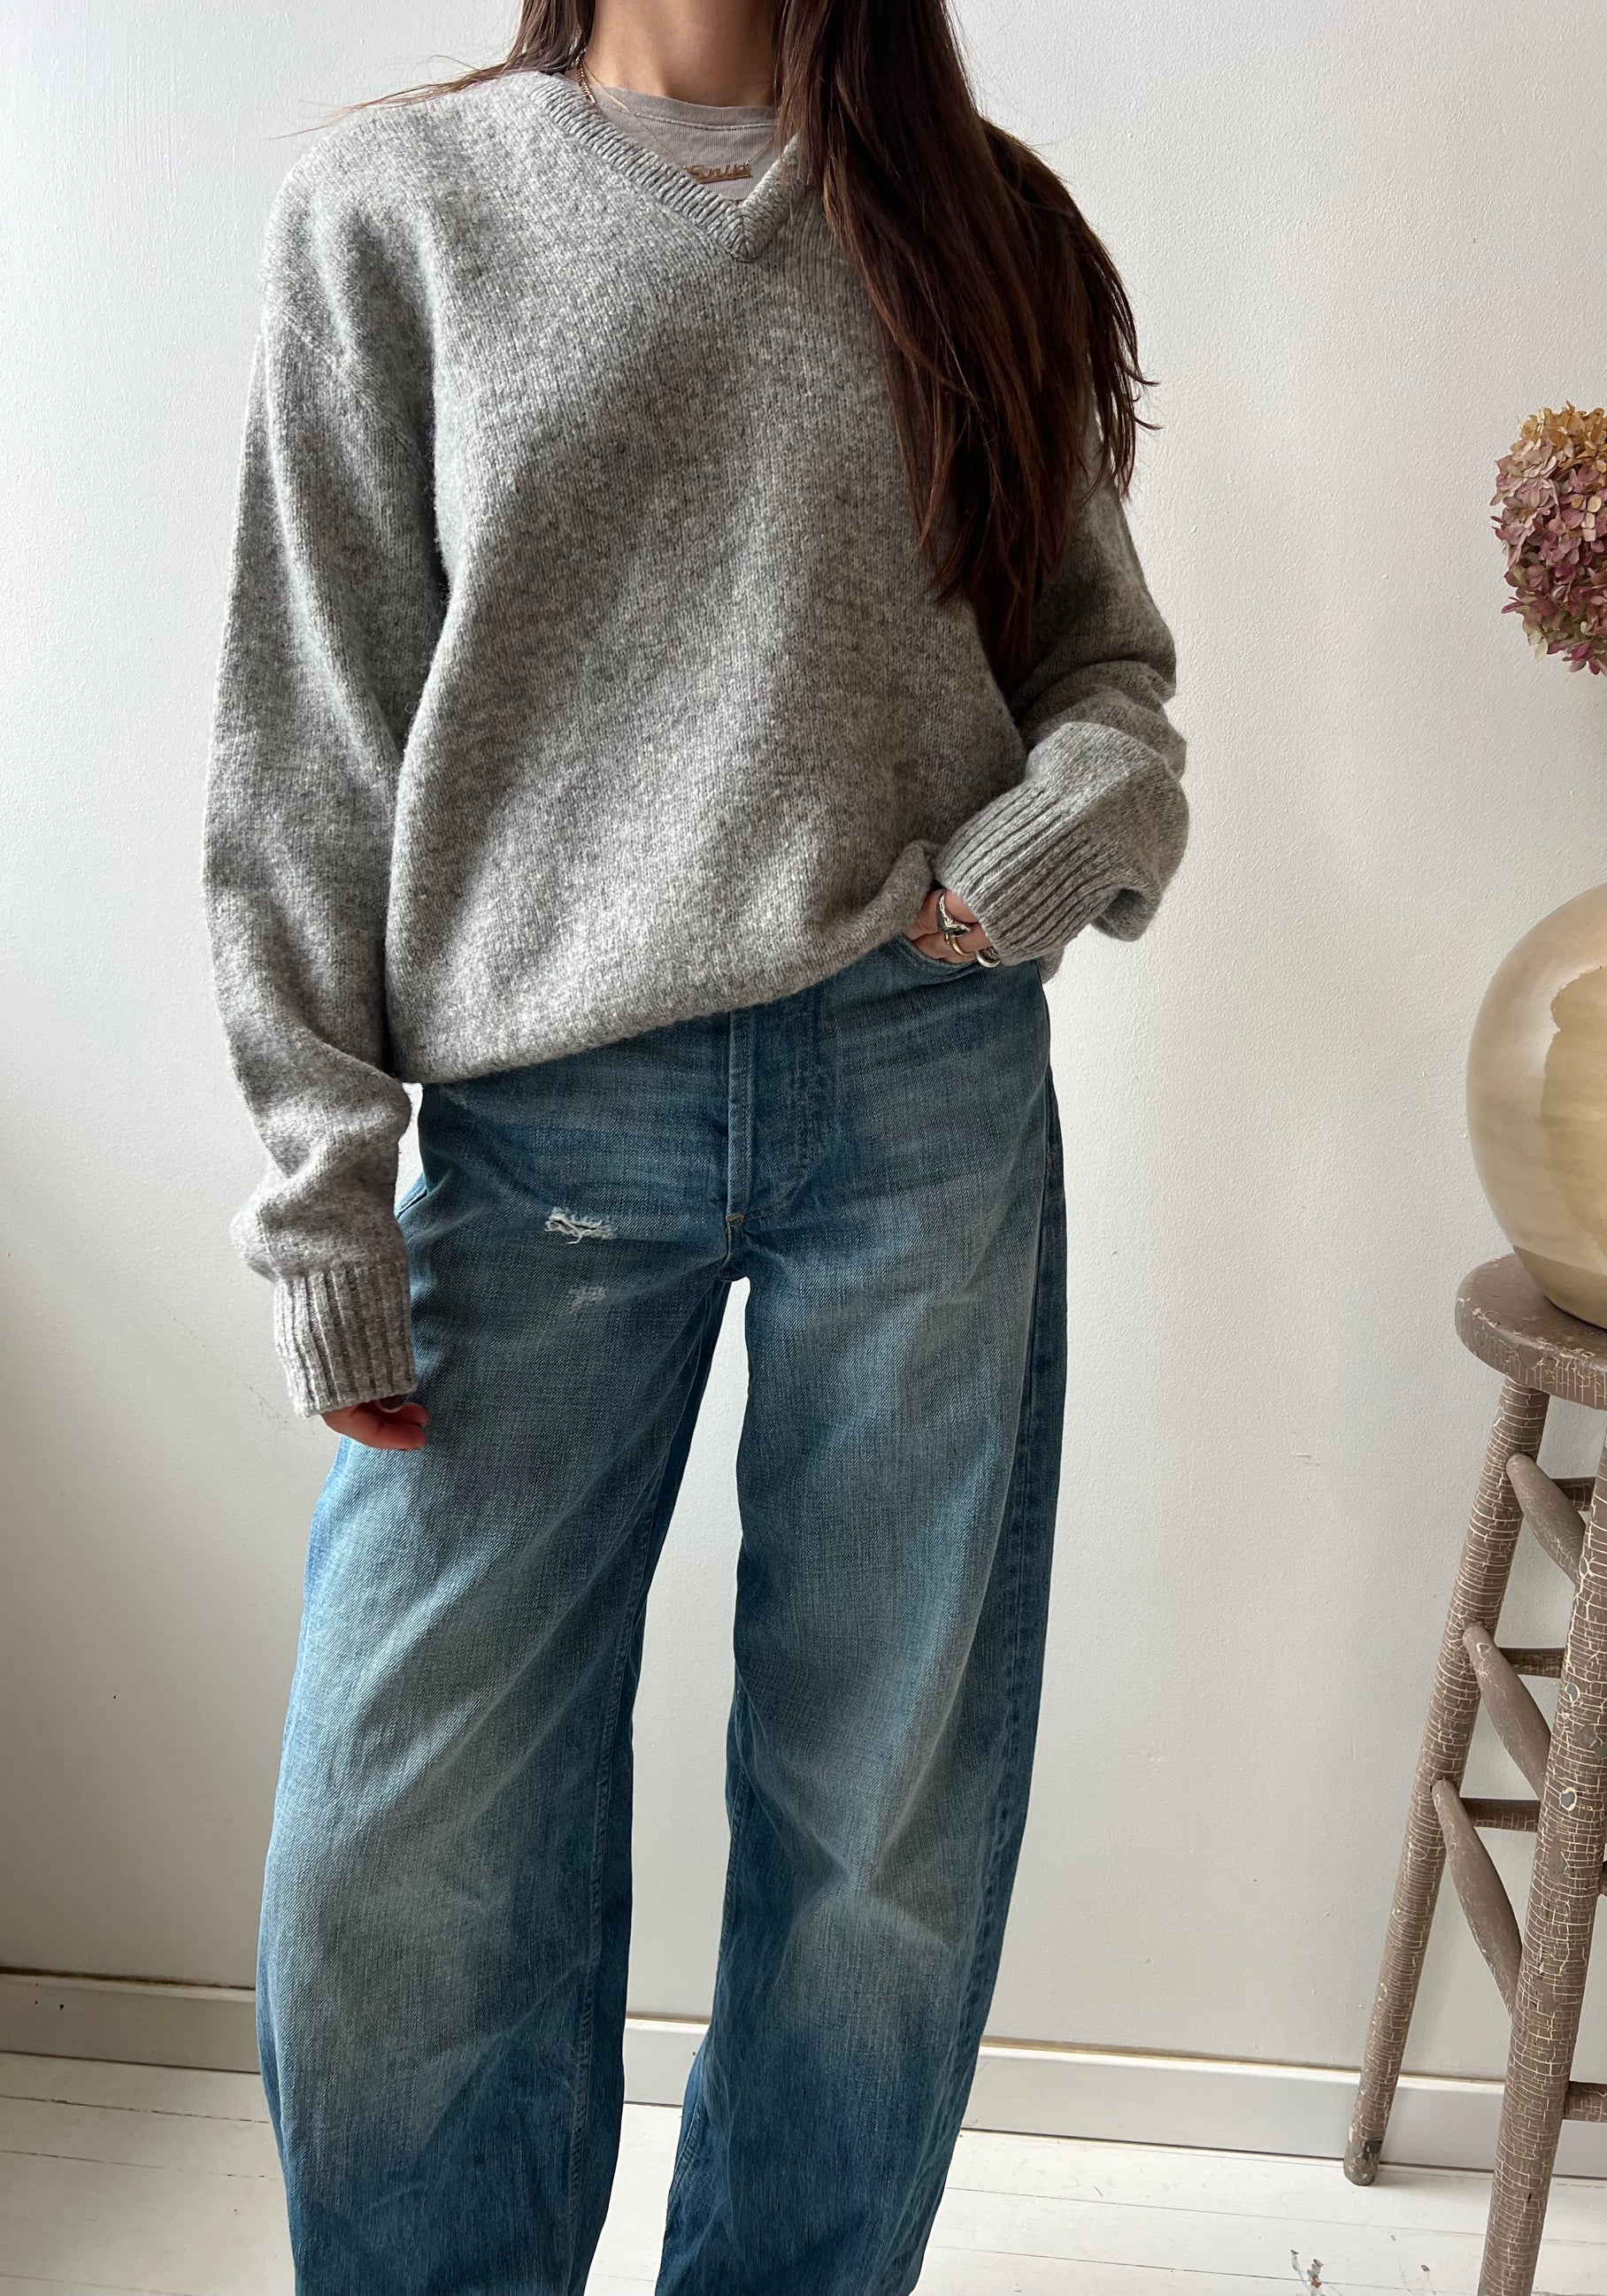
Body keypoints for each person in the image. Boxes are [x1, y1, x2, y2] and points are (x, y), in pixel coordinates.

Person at [202, 0, 1188, 2285]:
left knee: (877, 1845)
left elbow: (1103, 672)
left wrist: (1058, 834)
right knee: (396, 1848)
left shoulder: (981, 223)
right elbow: (307, 744)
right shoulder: (395, 212)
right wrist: (323, 1196)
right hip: (543, 1121)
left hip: (919, 1090)